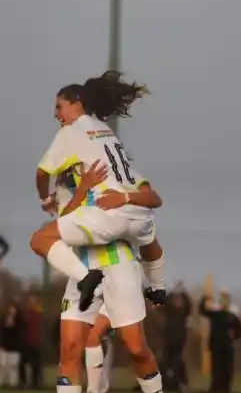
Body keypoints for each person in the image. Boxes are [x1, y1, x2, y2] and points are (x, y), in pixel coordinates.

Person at [39, 159, 178, 393]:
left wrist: (125, 197)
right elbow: (63, 223)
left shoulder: (121, 170)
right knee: (69, 347)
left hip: (120, 268)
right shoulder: (65, 181)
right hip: (81, 271)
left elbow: (152, 200)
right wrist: (79, 190)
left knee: (137, 348)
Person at [30, 71, 167, 312]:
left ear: (77, 104)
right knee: (148, 234)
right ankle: (158, 287)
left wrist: (45, 198)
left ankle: (86, 278)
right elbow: (154, 198)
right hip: (136, 215)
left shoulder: (71, 133)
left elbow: (42, 174)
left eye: (59, 107)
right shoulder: (106, 131)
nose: (56, 114)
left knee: (40, 240)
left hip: (108, 216)